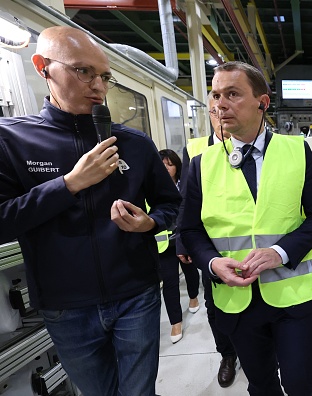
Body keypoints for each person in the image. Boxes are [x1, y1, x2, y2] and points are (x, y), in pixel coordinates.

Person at [0, 26, 181, 396]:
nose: (98, 86)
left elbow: (171, 205)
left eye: (105, 76)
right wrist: (68, 185)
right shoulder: (12, 140)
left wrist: (151, 223)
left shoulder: (135, 143)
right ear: (43, 67)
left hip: (136, 294)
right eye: (83, 71)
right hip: (66, 305)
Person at [180, 61, 312, 396]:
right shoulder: (200, 165)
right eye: (216, 95)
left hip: (292, 297)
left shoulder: (296, 152)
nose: (220, 104)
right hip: (235, 299)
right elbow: (189, 230)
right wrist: (211, 263)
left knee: (300, 383)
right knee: (261, 386)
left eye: (232, 94)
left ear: (262, 102)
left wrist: (279, 252)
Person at [176, 95, 239, 387]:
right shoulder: (195, 150)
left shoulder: (258, 146)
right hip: (210, 245)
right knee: (215, 304)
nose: (221, 115)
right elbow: (185, 201)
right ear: (210, 115)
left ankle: (262, 352)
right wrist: (182, 243)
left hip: (252, 242)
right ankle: (227, 354)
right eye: (215, 110)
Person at [158, 149, 200, 344]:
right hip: (163, 243)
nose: (166, 168)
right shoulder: (153, 187)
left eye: (170, 164)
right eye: (162, 164)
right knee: (170, 281)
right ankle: (176, 321)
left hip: (183, 238)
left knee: (190, 271)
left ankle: (193, 296)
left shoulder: (185, 184)